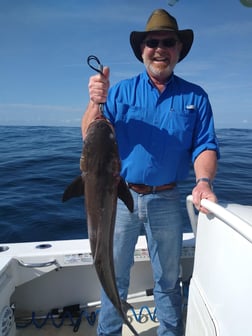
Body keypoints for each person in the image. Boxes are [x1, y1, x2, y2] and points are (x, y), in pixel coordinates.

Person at [82, 8, 219, 336]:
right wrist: (94, 101)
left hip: (168, 199)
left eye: (167, 41)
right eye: (152, 42)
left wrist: (204, 181)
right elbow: (91, 133)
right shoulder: (120, 92)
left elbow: (205, 146)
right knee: (112, 275)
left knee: (168, 282)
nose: (159, 48)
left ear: (179, 49)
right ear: (142, 50)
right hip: (120, 196)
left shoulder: (195, 97)